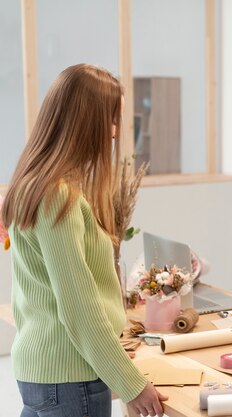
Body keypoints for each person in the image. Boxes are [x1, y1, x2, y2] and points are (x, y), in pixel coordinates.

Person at [2, 64, 167, 417]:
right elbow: (79, 307)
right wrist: (131, 384)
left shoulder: (32, 186)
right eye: (112, 120)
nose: (114, 133)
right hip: (71, 376)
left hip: (42, 372)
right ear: (86, 121)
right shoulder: (58, 195)